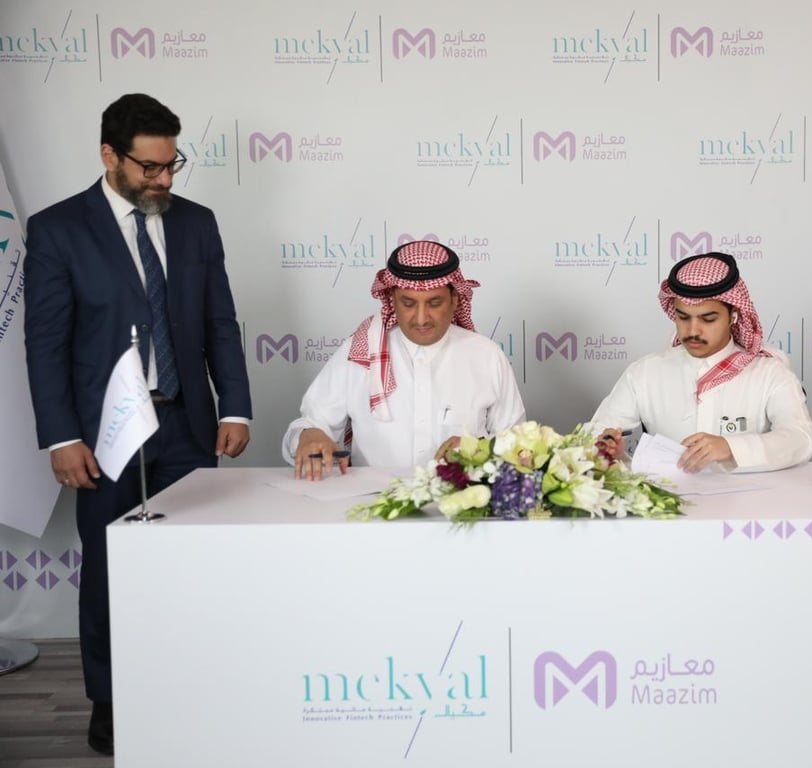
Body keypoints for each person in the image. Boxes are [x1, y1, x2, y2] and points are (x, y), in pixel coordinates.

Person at [24, 93, 253, 755]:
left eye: (171, 165)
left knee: (193, 568)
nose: (162, 179)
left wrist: (234, 405)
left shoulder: (197, 223)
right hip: (106, 435)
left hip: (187, 424)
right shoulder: (59, 229)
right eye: (149, 167)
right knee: (107, 569)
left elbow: (219, 321)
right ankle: (111, 701)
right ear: (109, 156)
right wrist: (62, 436)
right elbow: (46, 342)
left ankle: (192, 689)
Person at [283, 240, 525, 478]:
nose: (421, 318)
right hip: (372, 500)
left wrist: (480, 449)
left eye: (434, 303)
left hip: (461, 499)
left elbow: (520, 445)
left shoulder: (486, 355)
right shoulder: (359, 352)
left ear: (454, 300)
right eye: (408, 303)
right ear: (392, 299)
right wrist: (309, 435)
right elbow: (310, 425)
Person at [590, 251, 812, 473]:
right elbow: (596, 433)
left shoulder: (769, 373)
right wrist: (607, 446)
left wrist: (730, 448)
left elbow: (799, 439)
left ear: (733, 316)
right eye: (683, 317)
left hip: (753, 496)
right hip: (668, 495)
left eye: (708, 319)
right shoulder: (645, 373)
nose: (693, 331)